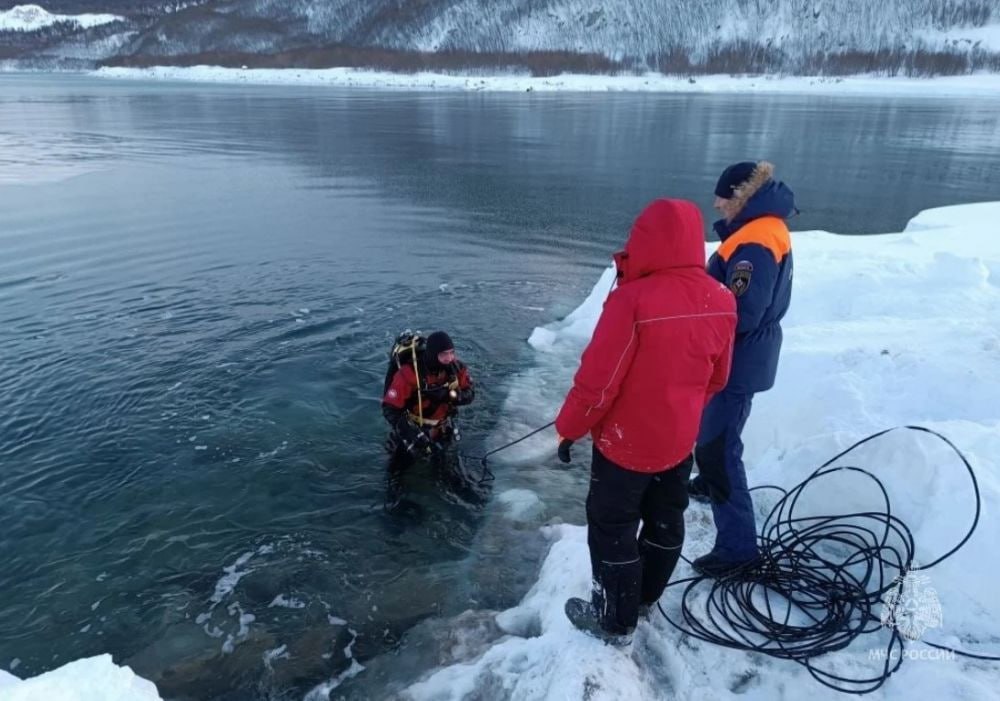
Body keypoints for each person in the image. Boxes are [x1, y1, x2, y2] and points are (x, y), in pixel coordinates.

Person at [555, 198, 737, 644]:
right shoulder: (722, 297)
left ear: (645, 239)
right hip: (678, 441)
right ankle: (644, 598)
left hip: (625, 445)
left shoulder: (631, 300)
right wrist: (678, 406)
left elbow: (599, 383)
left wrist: (569, 428)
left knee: (612, 528)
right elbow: (718, 377)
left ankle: (615, 620)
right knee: (665, 519)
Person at [688, 161, 796, 578]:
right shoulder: (765, 228)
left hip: (738, 358)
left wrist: (697, 329)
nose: (716, 203)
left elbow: (742, 312)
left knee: (718, 448)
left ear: (740, 196)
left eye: (722, 196)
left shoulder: (754, 243)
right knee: (718, 432)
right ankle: (706, 485)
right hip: (746, 354)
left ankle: (737, 547)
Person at [381, 331, 475, 508]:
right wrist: (410, 433)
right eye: (443, 354)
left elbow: (470, 394)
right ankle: (395, 505)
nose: (449, 358)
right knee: (397, 471)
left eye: (451, 352)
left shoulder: (457, 368)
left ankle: (459, 496)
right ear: (432, 354)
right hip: (413, 428)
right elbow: (390, 408)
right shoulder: (409, 374)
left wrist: (451, 395)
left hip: (442, 427)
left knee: (447, 467)